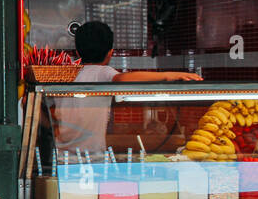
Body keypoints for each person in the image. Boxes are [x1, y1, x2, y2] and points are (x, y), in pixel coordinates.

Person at [52, 20, 201, 154]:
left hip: (61, 157)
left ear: (77, 52)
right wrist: (168, 76)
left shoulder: (66, 74)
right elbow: (123, 78)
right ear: (110, 53)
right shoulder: (103, 72)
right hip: (92, 159)